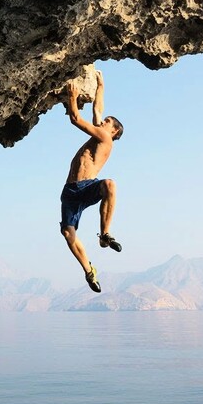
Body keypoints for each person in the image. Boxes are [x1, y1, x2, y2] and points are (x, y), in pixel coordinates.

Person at [60, 70, 124, 293]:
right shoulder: (99, 134)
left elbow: (75, 118)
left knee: (109, 184)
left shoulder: (105, 138)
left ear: (113, 131)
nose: (102, 121)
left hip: (87, 186)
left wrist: (72, 97)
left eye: (107, 122)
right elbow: (98, 110)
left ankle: (105, 234)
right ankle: (89, 271)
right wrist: (100, 85)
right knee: (68, 234)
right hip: (70, 191)